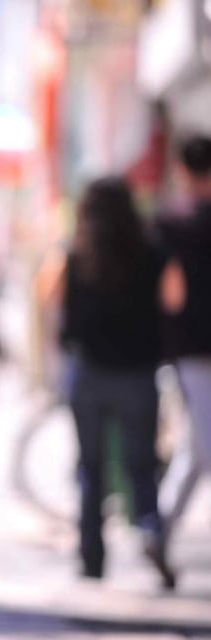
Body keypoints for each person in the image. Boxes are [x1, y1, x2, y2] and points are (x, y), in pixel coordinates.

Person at [56, 176, 177, 588]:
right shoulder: (153, 253)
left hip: (90, 371)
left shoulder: (77, 255)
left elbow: (66, 323)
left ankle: (92, 555)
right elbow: (172, 305)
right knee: (141, 465)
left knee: (91, 468)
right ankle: (150, 529)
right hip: (139, 373)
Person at [157, 134, 211, 539]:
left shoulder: (169, 223)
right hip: (193, 349)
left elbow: (167, 292)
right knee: (201, 445)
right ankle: (158, 530)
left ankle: (158, 531)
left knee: (199, 445)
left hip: (188, 347)